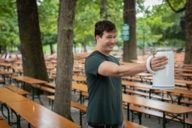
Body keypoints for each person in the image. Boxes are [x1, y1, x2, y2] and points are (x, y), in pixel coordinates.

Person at [85, 20, 168, 128]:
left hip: (117, 122)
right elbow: (117, 70)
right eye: (109, 37)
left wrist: (122, 118)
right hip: (99, 123)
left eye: (114, 37)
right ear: (98, 37)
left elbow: (118, 86)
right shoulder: (93, 59)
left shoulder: (113, 59)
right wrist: (147, 65)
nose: (113, 41)